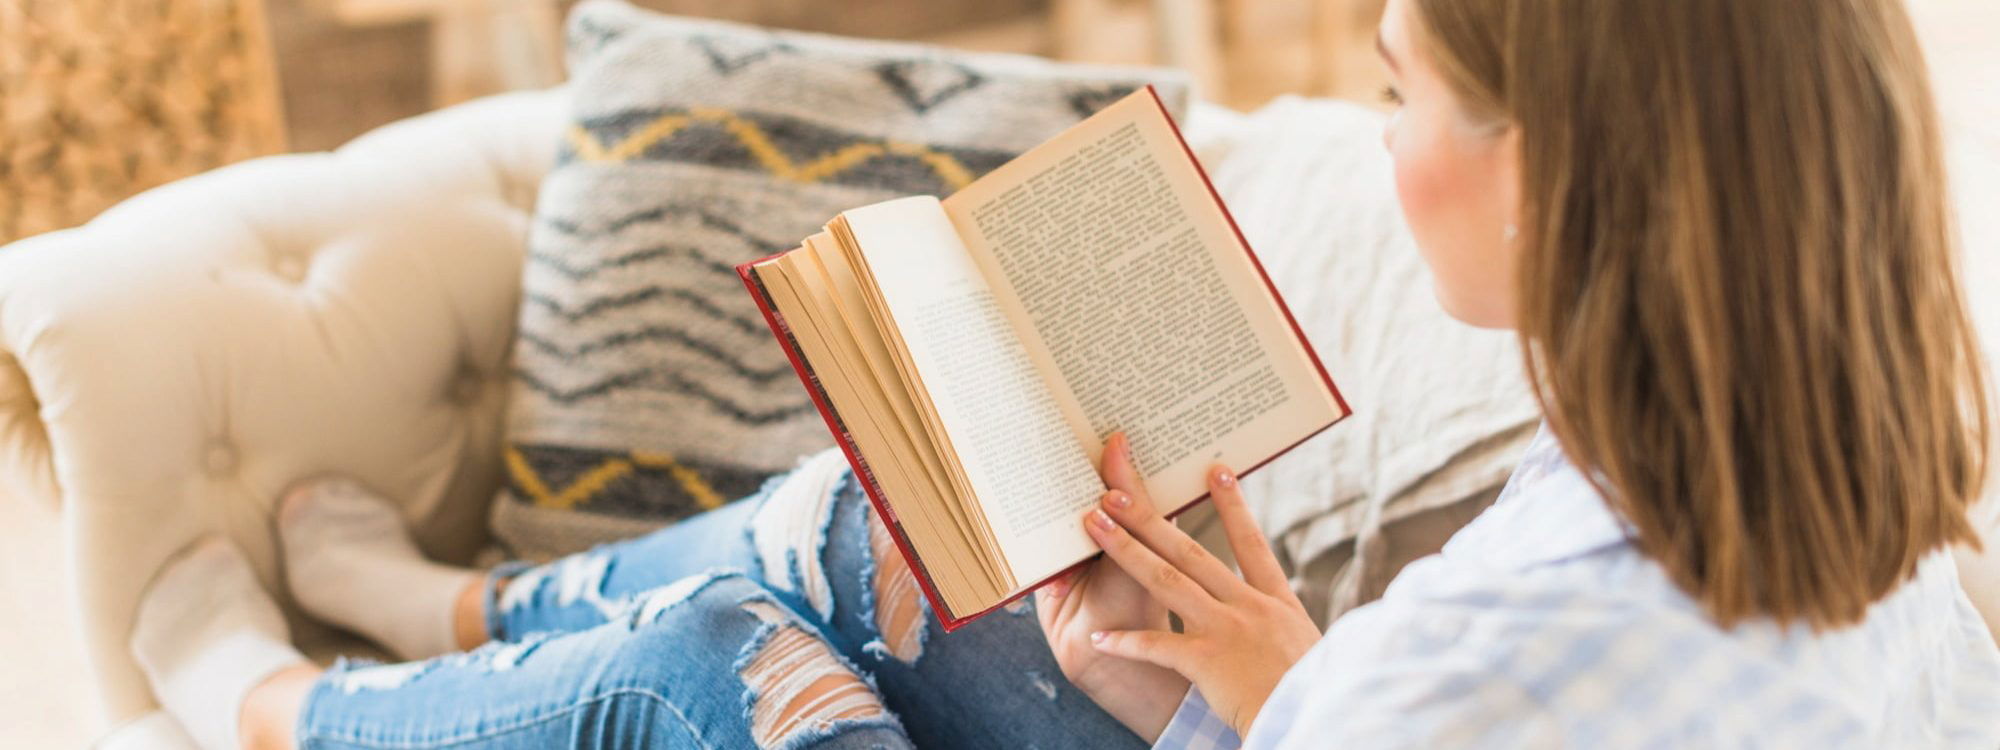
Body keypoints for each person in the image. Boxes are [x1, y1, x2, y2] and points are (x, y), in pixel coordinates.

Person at [128, 0, 2000, 746]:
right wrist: (1262, 674)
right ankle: (467, 598)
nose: (1375, 131)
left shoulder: (1465, 679)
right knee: (914, 544)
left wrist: (1312, 704)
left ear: (1558, 180)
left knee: (720, 667)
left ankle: (284, 707)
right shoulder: (1865, 546)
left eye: (1400, 89)